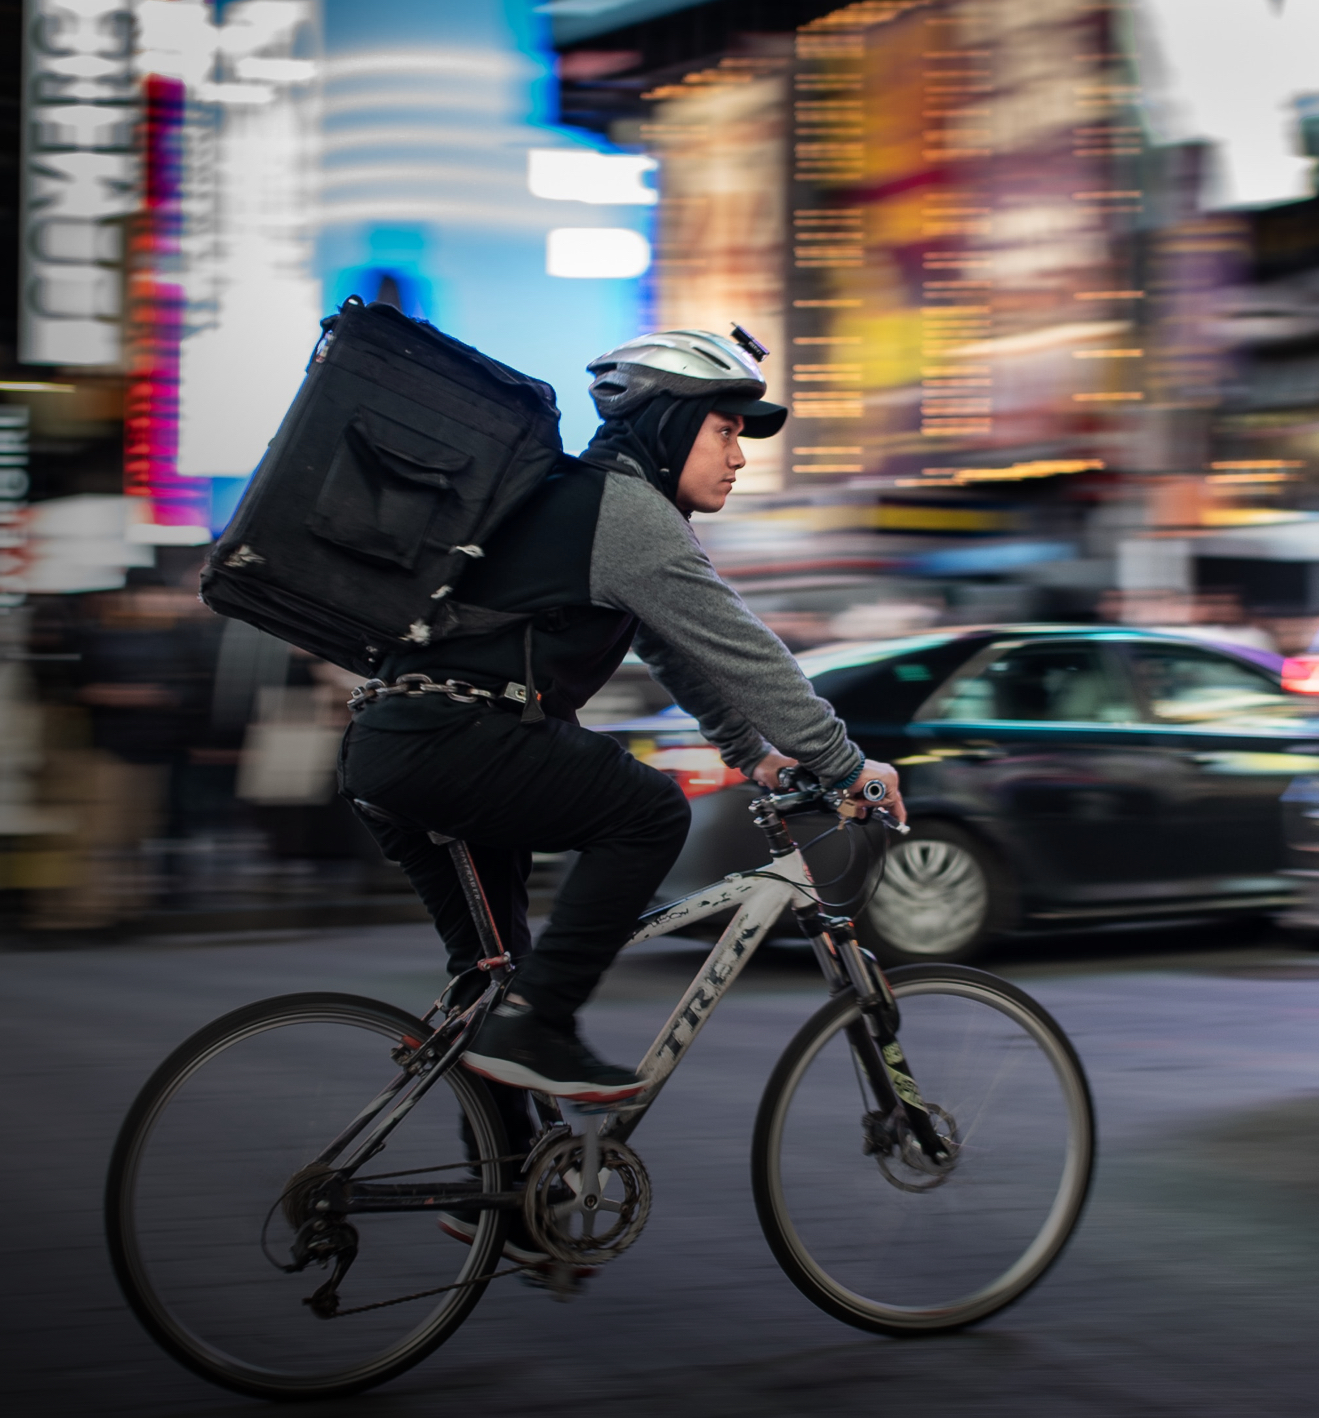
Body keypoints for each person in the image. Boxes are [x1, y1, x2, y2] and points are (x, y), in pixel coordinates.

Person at [339, 329, 905, 1103]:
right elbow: (745, 651)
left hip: (396, 744)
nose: (739, 457)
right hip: (458, 741)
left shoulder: (587, 504)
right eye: (727, 431)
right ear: (670, 423)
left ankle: (500, 1203)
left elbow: (676, 654)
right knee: (647, 811)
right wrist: (846, 765)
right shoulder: (627, 513)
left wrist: (752, 753)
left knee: (494, 981)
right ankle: (538, 1025)